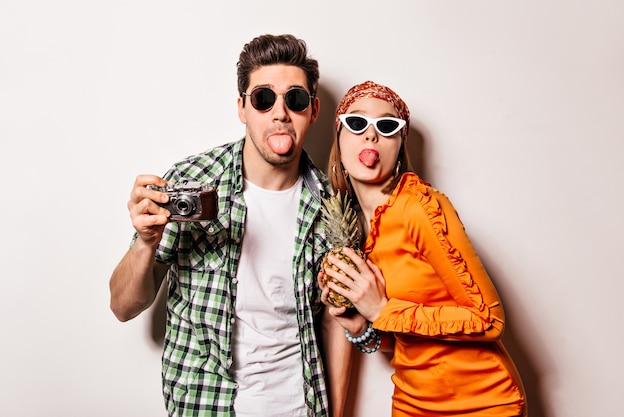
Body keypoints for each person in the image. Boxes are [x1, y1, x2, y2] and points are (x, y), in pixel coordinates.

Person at [109, 34, 352, 417]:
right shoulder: (192, 180)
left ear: (314, 110)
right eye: (263, 98)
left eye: (295, 99)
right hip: (205, 406)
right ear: (242, 108)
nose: (280, 113)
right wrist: (145, 242)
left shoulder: (332, 208)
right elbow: (123, 306)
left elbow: (335, 324)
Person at [319, 80, 527, 416]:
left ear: (400, 144)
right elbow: (410, 338)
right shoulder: (362, 233)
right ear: (338, 138)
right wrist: (360, 327)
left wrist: (382, 310)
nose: (370, 136)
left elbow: (489, 318)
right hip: (412, 403)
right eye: (356, 123)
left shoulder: (421, 207)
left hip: (484, 403)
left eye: (387, 126)